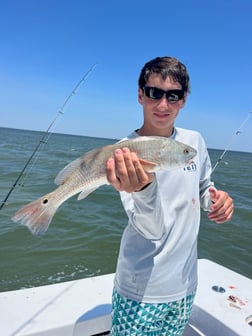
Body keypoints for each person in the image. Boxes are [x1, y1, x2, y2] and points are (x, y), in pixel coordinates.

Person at [106, 56, 234, 335]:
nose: (163, 105)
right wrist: (143, 189)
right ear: (140, 95)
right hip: (140, 290)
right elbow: (149, 228)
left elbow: (202, 188)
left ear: (184, 100)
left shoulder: (194, 142)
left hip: (186, 285)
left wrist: (216, 200)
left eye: (173, 96)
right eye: (155, 93)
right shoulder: (124, 153)